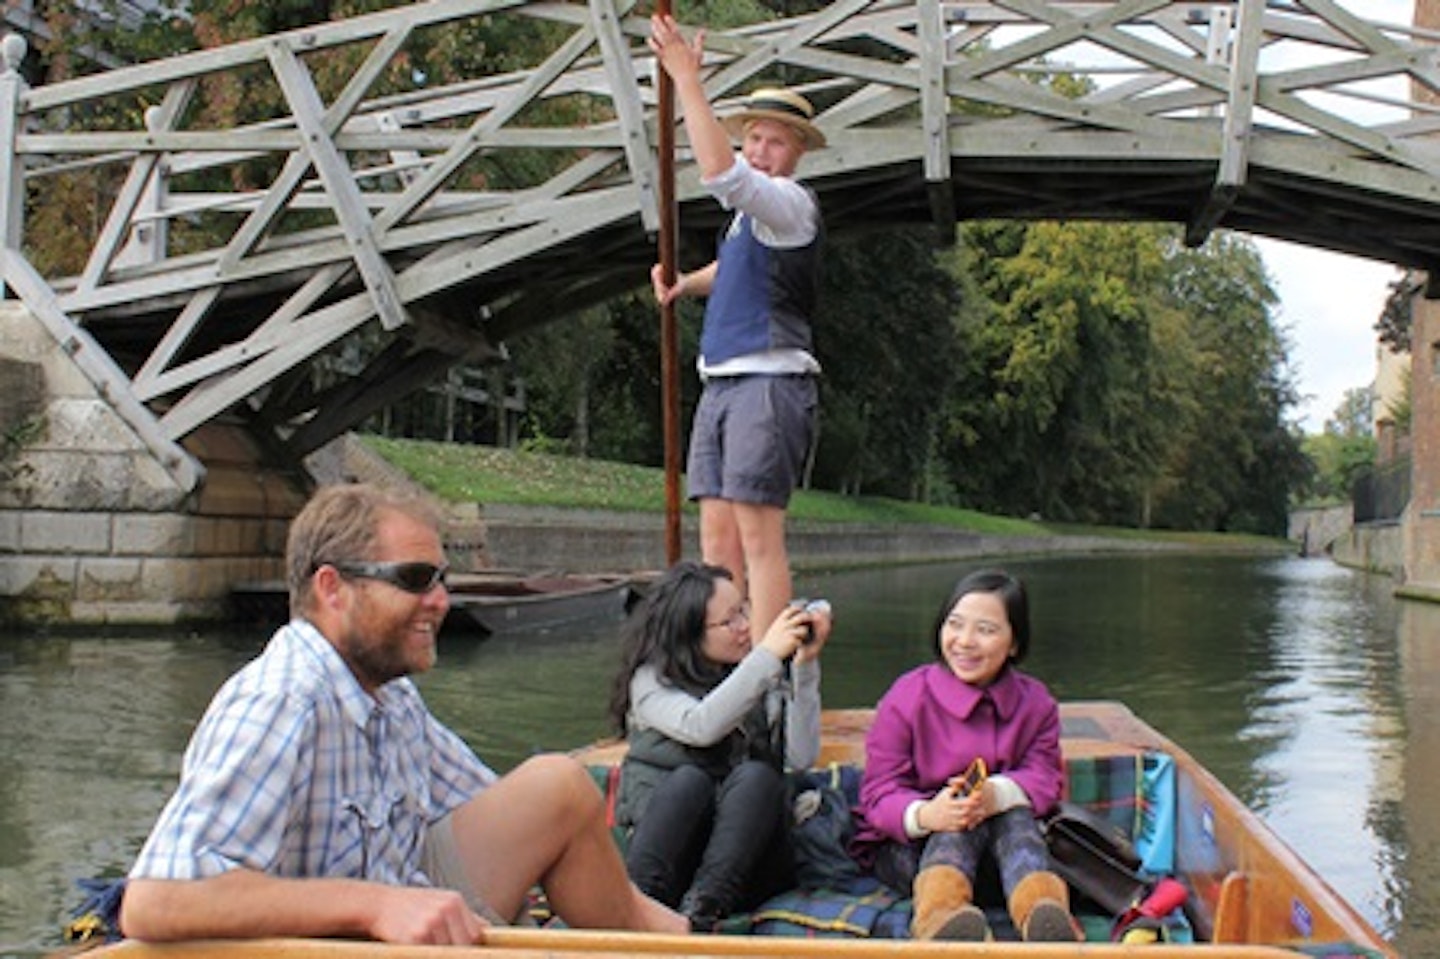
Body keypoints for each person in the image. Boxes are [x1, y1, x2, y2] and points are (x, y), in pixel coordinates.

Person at [119, 483, 687, 945]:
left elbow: (483, 802)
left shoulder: (389, 694)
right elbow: (156, 900)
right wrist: (374, 904)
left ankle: (664, 944)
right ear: (332, 589)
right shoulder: (281, 701)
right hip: (323, 942)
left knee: (558, 788)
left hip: (392, 912)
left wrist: (669, 927)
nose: (441, 600)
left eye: (442, 579)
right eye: (414, 579)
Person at [647, 13, 826, 639]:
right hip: (723, 383)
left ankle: (769, 668)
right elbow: (733, 269)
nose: (759, 151)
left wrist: (686, 81)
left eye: (775, 142)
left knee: (757, 533)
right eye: (753, 137)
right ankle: (721, 655)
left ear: (797, 152)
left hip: (768, 384)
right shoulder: (752, 222)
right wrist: (683, 285)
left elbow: (722, 176)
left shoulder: (789, 204)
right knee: (715, 535)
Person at [850, 569, 1081, 942]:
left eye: (986, 630)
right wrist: (929, 814)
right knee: (957, 825)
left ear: (1014, 644)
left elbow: (1045, 778)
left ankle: (1043, 916)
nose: (965, 642)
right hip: (911, 851)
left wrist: (996, 795)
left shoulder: (1036, 703)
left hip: (1005, 862)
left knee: (1013, 814)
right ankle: (941, 921)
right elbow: (878, 794)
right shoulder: (907, 697)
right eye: (955, 625)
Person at [606, 561, 832, 931]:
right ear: (688, 632)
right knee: (688, 782)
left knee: (758, 776)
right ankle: (636, 906)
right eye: (730, 621)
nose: (745, 627)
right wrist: (767, 658)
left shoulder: (758, 673)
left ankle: (702, 913)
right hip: (674, 858)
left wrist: (805, 666)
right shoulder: (651, 681)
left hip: (743, 866)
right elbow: (700, 726)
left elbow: (802, 757)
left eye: (744, 610)